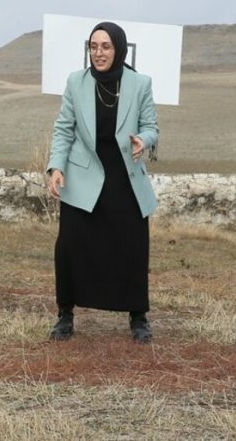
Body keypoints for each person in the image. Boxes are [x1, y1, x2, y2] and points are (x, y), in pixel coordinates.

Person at [46, 21, 159, 343]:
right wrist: (56, 166)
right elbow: (64, 128)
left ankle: (138, 316)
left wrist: (144, 140)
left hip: (125, 178)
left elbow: (152, 126)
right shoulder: (75, 82)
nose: (99, 53)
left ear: (119, 49)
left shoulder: (140, 84)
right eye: (93, 47)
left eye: (105, 47)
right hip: (83, 177)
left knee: (132, 248)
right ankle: (65, 315)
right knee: (70, 247)